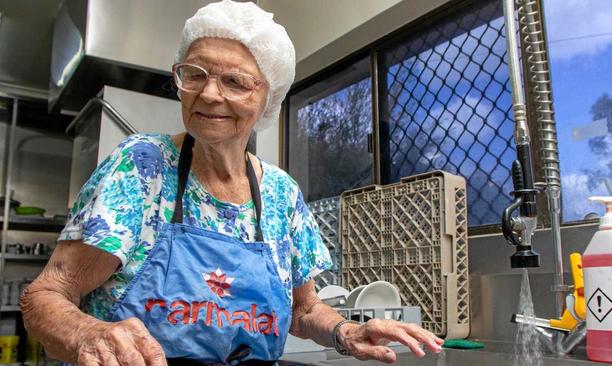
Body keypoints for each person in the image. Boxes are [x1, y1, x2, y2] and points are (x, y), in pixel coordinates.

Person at [20, 1, 443, 364]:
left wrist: (346, 332)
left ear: (267, 98)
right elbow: (45, 296)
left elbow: (304, 308)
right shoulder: (140, 167)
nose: (208, 94)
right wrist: (87, 334)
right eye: (196, 74)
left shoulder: (281, 194)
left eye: (235, 82)